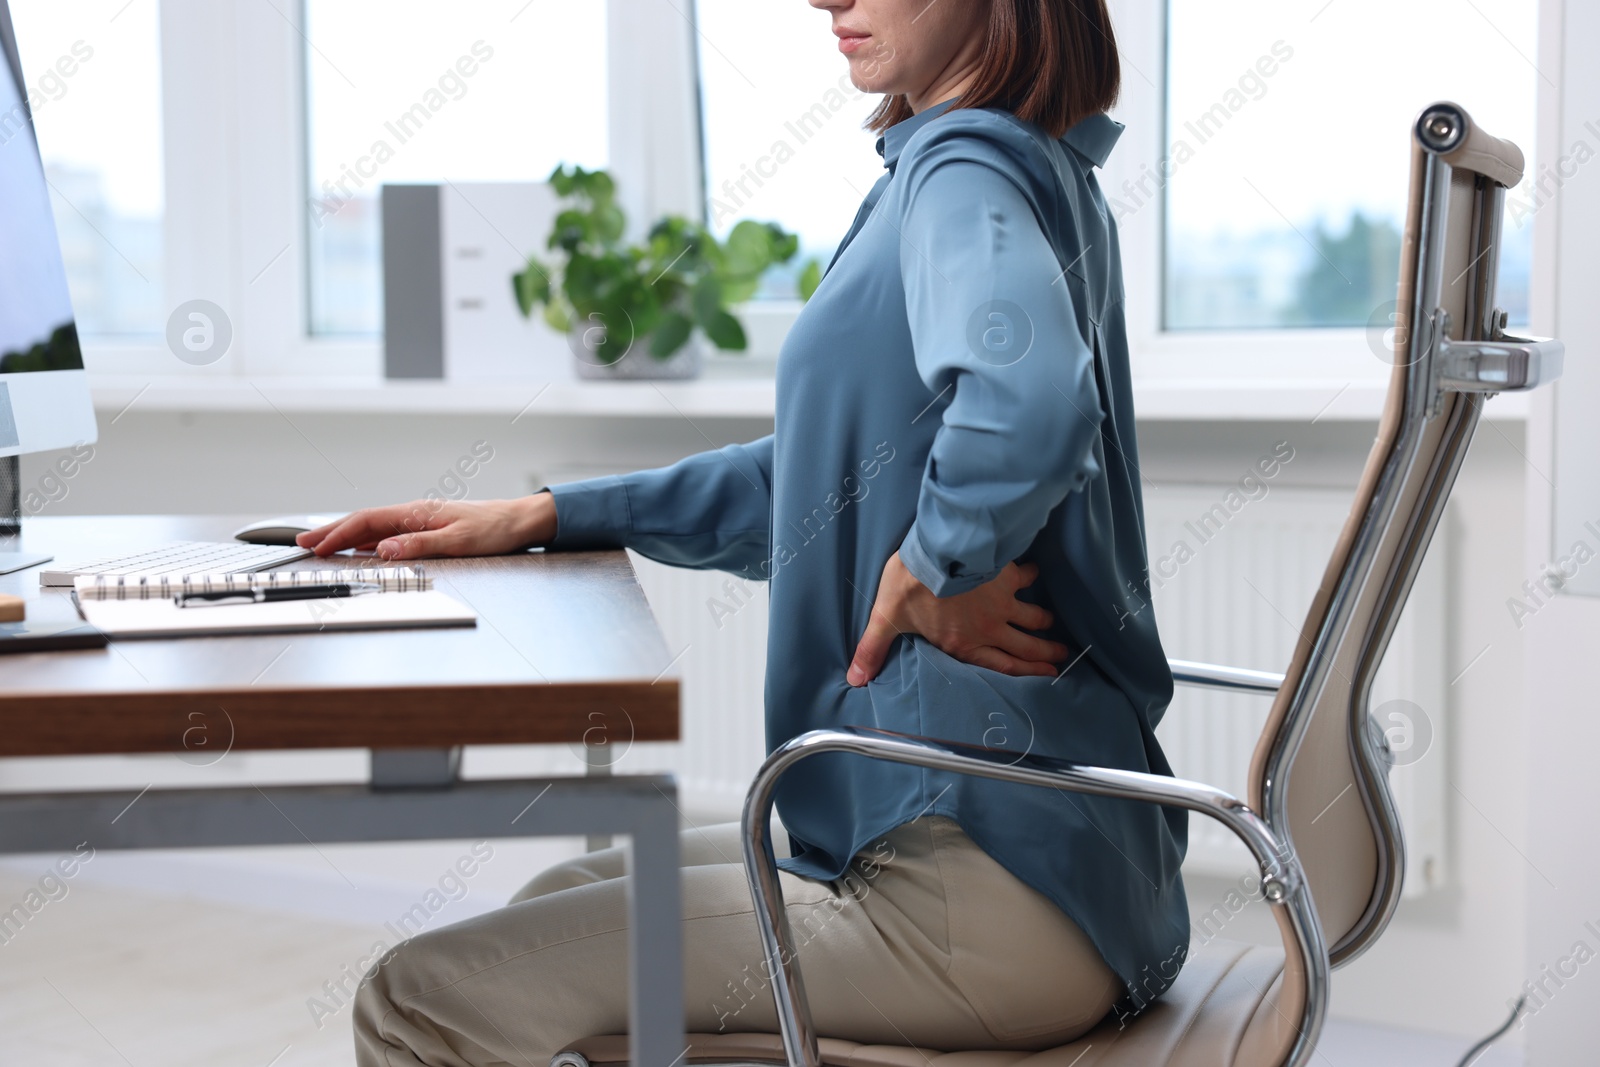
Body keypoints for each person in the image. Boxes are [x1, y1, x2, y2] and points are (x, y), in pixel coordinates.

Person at [301, 1, 1188, 1063]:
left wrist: (937, 558)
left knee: (424, 997)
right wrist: (555, 513)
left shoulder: (963, 163)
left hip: (979, 885)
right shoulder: (1012, 166)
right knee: (564, 894)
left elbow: (1031, 405)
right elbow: (823, 480)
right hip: (1044, 865)